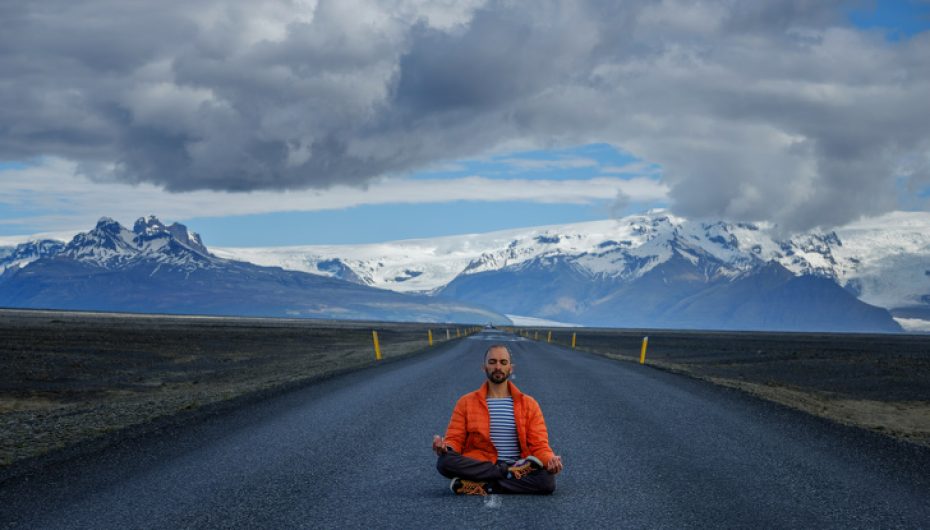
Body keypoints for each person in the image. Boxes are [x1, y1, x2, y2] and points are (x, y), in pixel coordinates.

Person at [432, 343, 563, 496]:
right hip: (482, 464)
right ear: (484, 367)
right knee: (444, 462)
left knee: (547, 481)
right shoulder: (466, 402)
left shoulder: (529, 404)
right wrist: (445, 447)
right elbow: (455, 439)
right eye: (492, 362)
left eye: (503, 362)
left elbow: (539, 444)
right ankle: (507, 474)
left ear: (511, 368)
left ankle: (480, 486)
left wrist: (550, 460)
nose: (498, 367)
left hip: (517, 465)